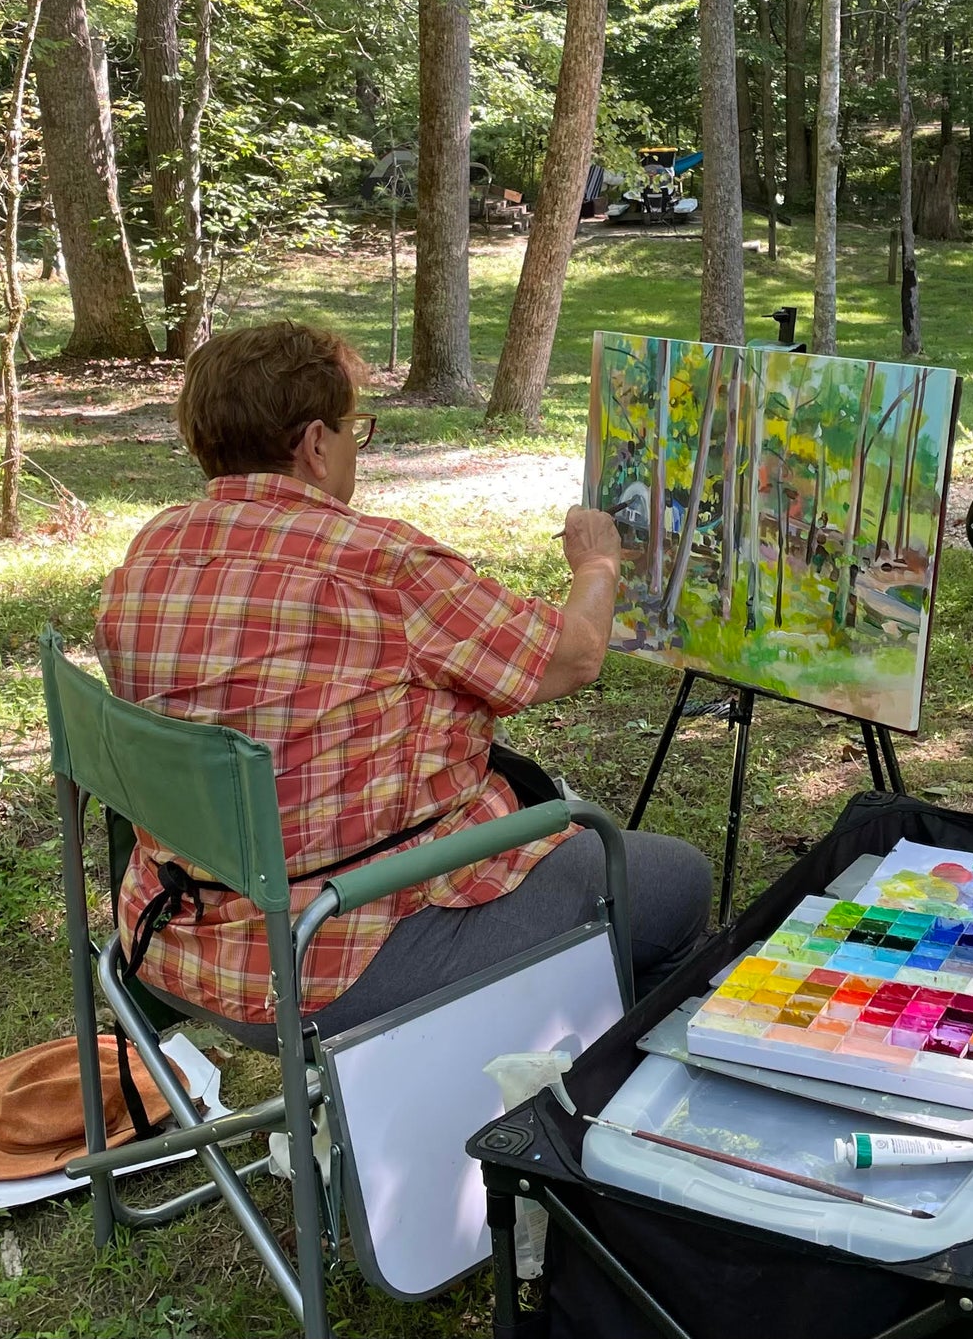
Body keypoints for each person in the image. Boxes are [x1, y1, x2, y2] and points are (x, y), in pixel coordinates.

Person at [94, 322, 711, 1047]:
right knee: (675, 884)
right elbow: (572, 656)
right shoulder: (380, 566)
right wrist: (597, 563)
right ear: (315, 443)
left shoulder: (152, 550)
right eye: (357, 428)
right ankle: (557, 1103)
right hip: (333, 955)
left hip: (173, 938)